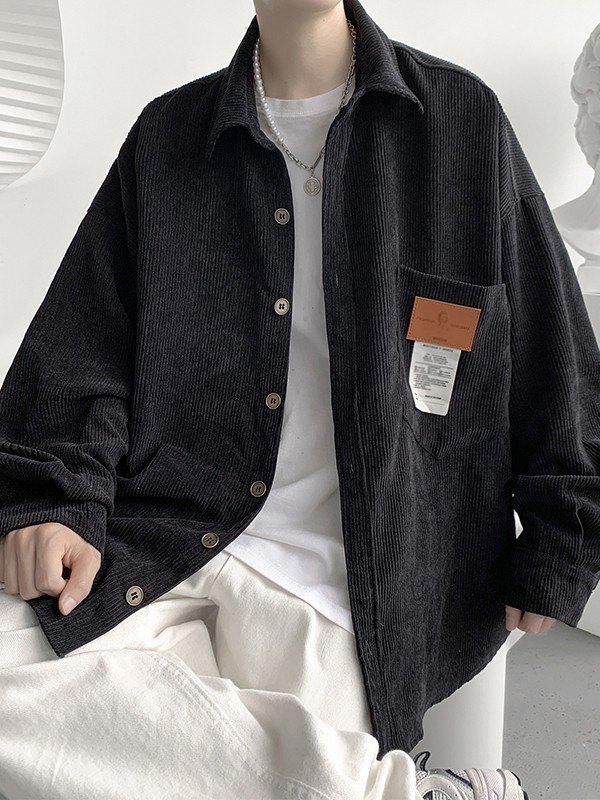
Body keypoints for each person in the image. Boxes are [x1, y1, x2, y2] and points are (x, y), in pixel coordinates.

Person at [1, 0, 598, 797]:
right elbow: (85, 348)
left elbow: (557, 351)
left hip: (357, 585)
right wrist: (55, 501)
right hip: (162, 541)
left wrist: (563, 543)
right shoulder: (168, 139)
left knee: (123, 750)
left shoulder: (461, 124)